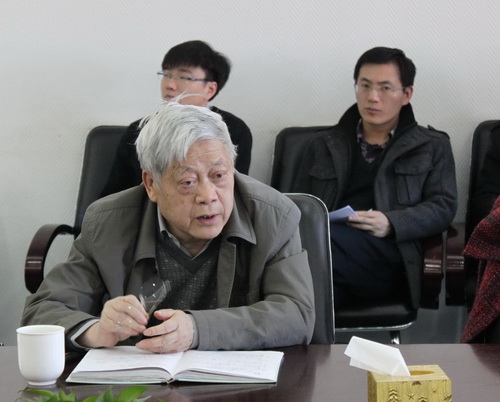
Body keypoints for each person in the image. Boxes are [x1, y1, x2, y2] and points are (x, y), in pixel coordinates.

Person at [21, 99, 314, 353]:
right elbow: (42, 311)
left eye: (219, 175)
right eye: (188, 181)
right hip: (140, 384)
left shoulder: (273, 217)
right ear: (151, 184)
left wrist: (197, 329)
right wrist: (95, 331)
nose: (208, 196)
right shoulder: (106, 223)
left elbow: (296, 314)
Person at [294, 47, 457, 310]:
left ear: (406, 94)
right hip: (327, 253)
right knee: (310, 286)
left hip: (390, 255)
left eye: (385, 88)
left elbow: (443, 207)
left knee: (303, 265)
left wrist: (391, 222)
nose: (372, 97)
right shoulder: (323, 144)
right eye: (365, 86)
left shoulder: (431, 145)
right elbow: (295, 203)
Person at [101, 40, 253, 197]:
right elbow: (113, 197)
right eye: (166, 75)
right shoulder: (139, 130)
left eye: (183, 77)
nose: (170, 85)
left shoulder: (233, 130)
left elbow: (234, 194)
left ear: (210, 89)